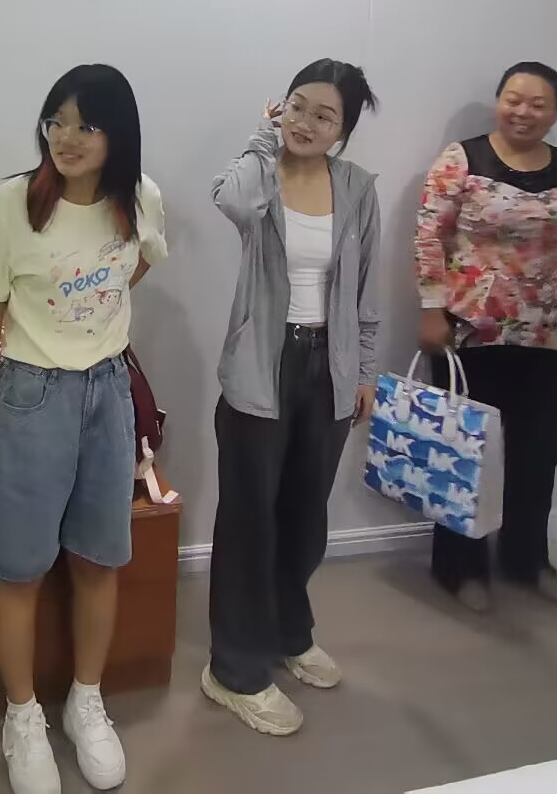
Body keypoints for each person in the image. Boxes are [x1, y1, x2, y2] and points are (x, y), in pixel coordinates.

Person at [0, 64, 168, 794]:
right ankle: (23, 717)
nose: (66, 137)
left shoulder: (140, 200)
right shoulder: (13, 203)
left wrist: (96, 315)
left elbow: (138, 263)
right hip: (29, 393)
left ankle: (86, 701)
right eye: (57, 120)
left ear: (119, 135)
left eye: (87, 125)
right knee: (20, 569)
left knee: (99, 560)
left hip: (108, 392)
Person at [202, 61, 382, 737]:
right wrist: (262, 138)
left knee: (305, 516)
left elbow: (365, 288)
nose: (306, 123)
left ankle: (287, 630)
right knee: (249, 520)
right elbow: (229, 201)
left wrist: (365, 371)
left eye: (323, 115)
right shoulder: (260, 175)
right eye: (297, 106)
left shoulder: (357, 188)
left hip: (329, 366)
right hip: (262, 362)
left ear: (343, 130)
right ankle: (234, 670)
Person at [415, 61, 557, 612]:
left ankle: (526, 560)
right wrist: (430, 309)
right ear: (498, 101)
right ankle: (459, 568)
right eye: (514, 99)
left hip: (547, 333)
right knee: (465, 455)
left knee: (536, 454)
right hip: (470, 333)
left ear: (556, 112)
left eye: (538, 104)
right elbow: (429, 237)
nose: (523, 112)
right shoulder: (463, 158)